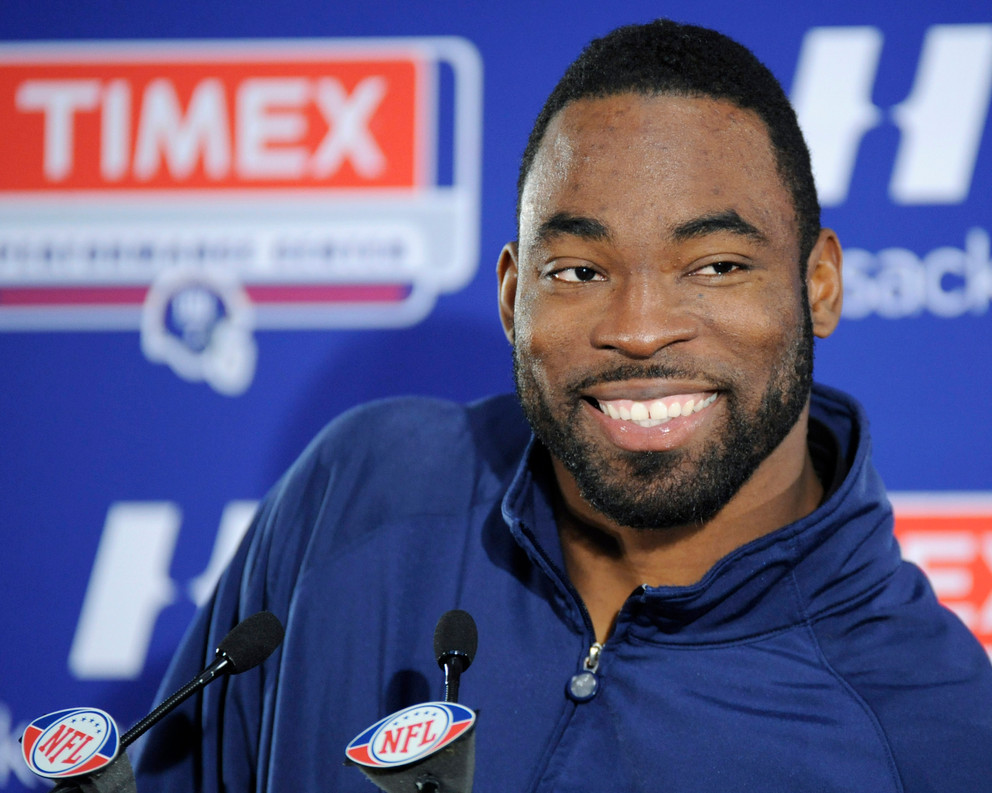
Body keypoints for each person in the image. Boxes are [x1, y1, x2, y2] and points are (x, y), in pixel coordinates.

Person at [134, 19, 992, 792]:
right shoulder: (358, 486)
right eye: (578, 271)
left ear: (821, 285)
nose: (641, 329)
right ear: (514, 298)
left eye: (718, 265)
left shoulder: (939, 737)